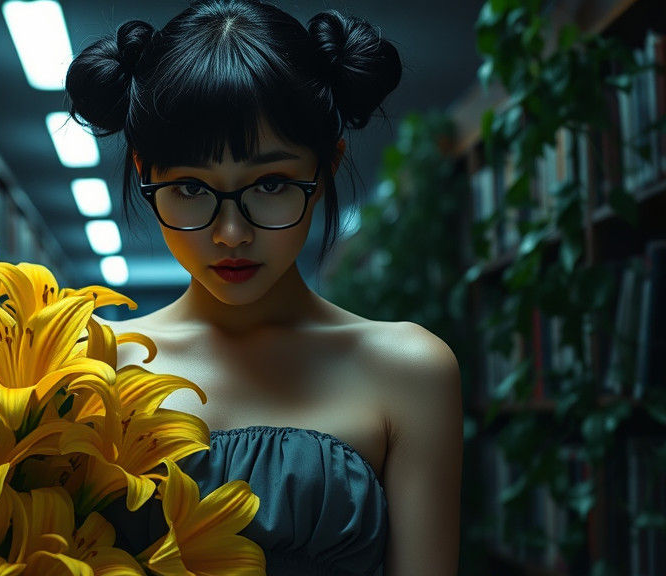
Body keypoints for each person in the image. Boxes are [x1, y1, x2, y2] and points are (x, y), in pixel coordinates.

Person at [65, 1, 462, 574]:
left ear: (326, 170)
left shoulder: (409, 370)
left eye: (271, 182)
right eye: (192, 189)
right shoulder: (88, 365)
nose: (232, 233)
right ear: (145, 173)